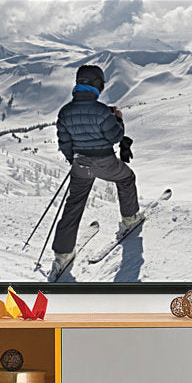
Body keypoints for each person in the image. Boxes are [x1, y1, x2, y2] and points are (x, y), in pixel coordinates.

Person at [50, 64, 142, 277]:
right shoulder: (102, 111)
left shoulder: (65, 112)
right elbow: (114, 137)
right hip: (104, 162)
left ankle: (62, 254)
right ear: (97, 86)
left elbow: (64, 142)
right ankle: (130, 219)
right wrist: (118, 118)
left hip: (80, 164)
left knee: (73, 204)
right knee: (127, 178)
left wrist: (72, 159)